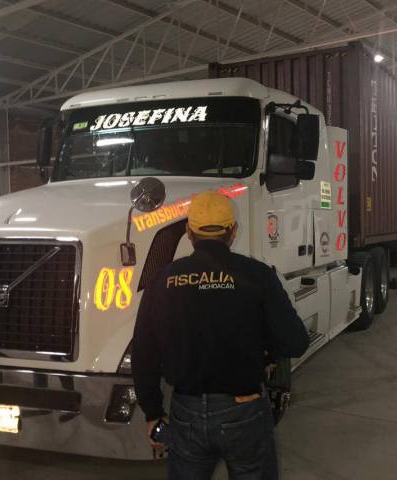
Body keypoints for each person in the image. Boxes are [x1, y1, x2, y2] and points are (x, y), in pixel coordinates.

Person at [132, 190, 309, 479]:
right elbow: (295, 341)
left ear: (189, 232)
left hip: (185, 412)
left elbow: (143, 354)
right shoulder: (258, 275)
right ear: (233, 230)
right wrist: (266, 348)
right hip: (245, 410)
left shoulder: (162, 280)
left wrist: (152, 412)